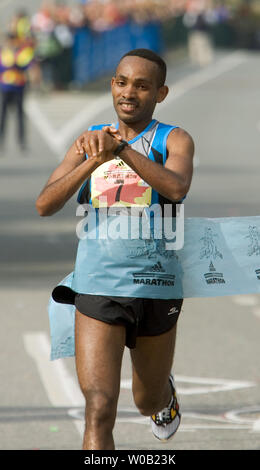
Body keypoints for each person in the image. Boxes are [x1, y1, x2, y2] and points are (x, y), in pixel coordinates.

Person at [36, 48, 194, 450]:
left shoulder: (173, 138)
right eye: (122, 82)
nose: (129, 92)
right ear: (112, 85)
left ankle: (164, 398)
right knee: (100, 407)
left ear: (160, 93)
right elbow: (45, 204)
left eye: (142, 86)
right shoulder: (90, 140)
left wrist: (122, 150)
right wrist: (93, 159)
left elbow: (176, 187)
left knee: (146, 400)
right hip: (98, 285)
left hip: (156, 285)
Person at [0, 33, 34, 152]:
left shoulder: (21, 53)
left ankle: (21, 141)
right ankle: (1, 141)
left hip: (18, 87)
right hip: (5, 88)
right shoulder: (3, 53)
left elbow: (26, 65)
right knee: (3, 116)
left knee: (20, 116)